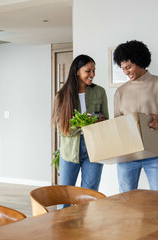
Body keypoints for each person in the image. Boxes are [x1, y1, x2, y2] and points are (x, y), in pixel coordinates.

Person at [113, 40, 158, 193]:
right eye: (123, 69)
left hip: (154, 152)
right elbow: (117, 123)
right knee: (125, 199)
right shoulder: (120, 92)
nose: (126, 72)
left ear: (140, 61)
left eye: (129, 67)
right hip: (127, 154)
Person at [51, 54, 109, 192]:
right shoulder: (62, 95)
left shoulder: (99, 91)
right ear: (77, 71)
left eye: (94, 71)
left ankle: (85, 215)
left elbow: (106, 120)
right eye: (88, 71)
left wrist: (99, 121)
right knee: (65, 194)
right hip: (70, 149)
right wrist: (82, 125)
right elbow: (61, 129)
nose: (92, 74)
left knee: (89, 194)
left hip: (94, 148)